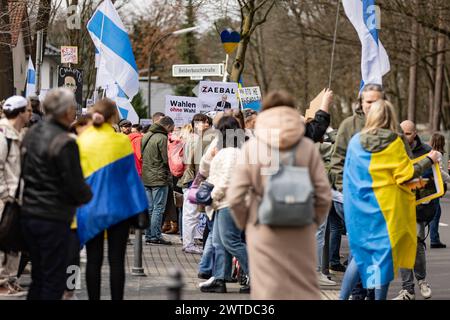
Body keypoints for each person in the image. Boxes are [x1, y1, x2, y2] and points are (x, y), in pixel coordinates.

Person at [227, 90, 332, 299]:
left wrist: (247, 223)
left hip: (263, 226)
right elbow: (322, 193)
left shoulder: (253, 146)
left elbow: (236, 195)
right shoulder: (306, 147)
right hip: (300, 225)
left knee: (267, 288)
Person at [339, 100, 439, 300]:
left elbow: (347, 176)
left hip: (360, 209)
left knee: (359, 258)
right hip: (386, 210)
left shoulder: (356, 141)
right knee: (382, 260)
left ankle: (342, 298)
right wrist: (430, 159)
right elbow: (407, 174)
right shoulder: (394, 142)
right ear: (391, 117)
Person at [20, 88, 93, 300]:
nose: (74, 111)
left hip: (29, 213)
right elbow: (75, 184)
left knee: (39, 277)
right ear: (66, 111)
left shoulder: (32, 133)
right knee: (54, 280)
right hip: (53, 216)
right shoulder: (65, 141)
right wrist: (87, 195)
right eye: (72, 107)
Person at [76, 99, 148, 300]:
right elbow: (131, 179)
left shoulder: (81, 141)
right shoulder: (122, 141)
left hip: (90, 208)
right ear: (113, 117)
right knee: (117, 261)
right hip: (119, 209)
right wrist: (141, 206)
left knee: (93, 261)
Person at [327, 84, 385, 300]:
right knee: (360, 249)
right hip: (354, 200)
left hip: (382, 201)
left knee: (376, 252)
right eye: (368, 101)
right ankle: (357, 294)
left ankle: (370, 292)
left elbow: (402, 163)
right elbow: (336, 162)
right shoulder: (349, 125)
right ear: (361, 102)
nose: (372, 106)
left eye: (376, 101)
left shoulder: (391, 127)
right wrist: (348, 191)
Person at [199, 116, 250, 294]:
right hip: (224, 203)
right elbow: (206, 169)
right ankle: (219, 278)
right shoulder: (231, 151)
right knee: (221, 242)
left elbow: (227, 180)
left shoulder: (231, 153)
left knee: (231, 241)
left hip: (229, 202)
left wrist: (212, 196)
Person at [393, 120, 437, 300]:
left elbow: (435, 179)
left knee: (417, 243)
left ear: (415, 134)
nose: (405, 136)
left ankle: (421, 280)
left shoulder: (427, 151)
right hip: (398, 204)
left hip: (419, 206)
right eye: (402, 133)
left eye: (408, 133)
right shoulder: (395, 150)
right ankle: (408, 290)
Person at [0, 96, 32, 297]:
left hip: (16, 198)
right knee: (3, 241)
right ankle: (1, 280)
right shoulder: (3, 135)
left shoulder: (18, 134)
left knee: (13, 241)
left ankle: (10, 279)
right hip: (5, 200)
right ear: (20, 112)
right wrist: (6, 194)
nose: (30, 113)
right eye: (28, 110)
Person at [178, 114, 215, 254]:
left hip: (191, 179)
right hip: (193, 180)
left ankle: (189, 242)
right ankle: (188, 243)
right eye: (204, 123)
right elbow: (196, 163)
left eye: (208, 123)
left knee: (190, 213)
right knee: (191, 213)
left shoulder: (193, 138)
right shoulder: (196, 140)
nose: (207, 126)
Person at [142, 116, 175, 245]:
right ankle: (155, 235)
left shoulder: (147, 135)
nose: (171, 132)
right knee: (158, 208)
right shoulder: (162, 138)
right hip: (159, 177)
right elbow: (166, 159)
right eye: (171, 129)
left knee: (150, 208)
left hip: (146, 176)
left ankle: (149, 234)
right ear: (167, 126)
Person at [428, 133, 450, 249]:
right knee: (436, 213)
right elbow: (439, 172)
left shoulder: (429, 152)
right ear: (441, 142)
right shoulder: (438, 154)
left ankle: (434, 237)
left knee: (435, 212)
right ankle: (434, 239)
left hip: (428, 186)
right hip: (434, 186)